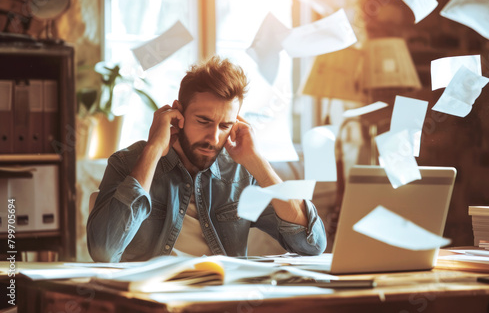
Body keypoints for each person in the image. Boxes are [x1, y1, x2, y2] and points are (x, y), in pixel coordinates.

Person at [87, 56, 327, 262]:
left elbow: (311, 244)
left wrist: (258, 163)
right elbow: (104, 251)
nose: (213, 138)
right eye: (203, 121)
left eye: (225, 125)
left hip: (222, 299)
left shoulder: (239, 173)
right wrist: (152, 150)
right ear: (178, 113)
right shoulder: (128, 164)